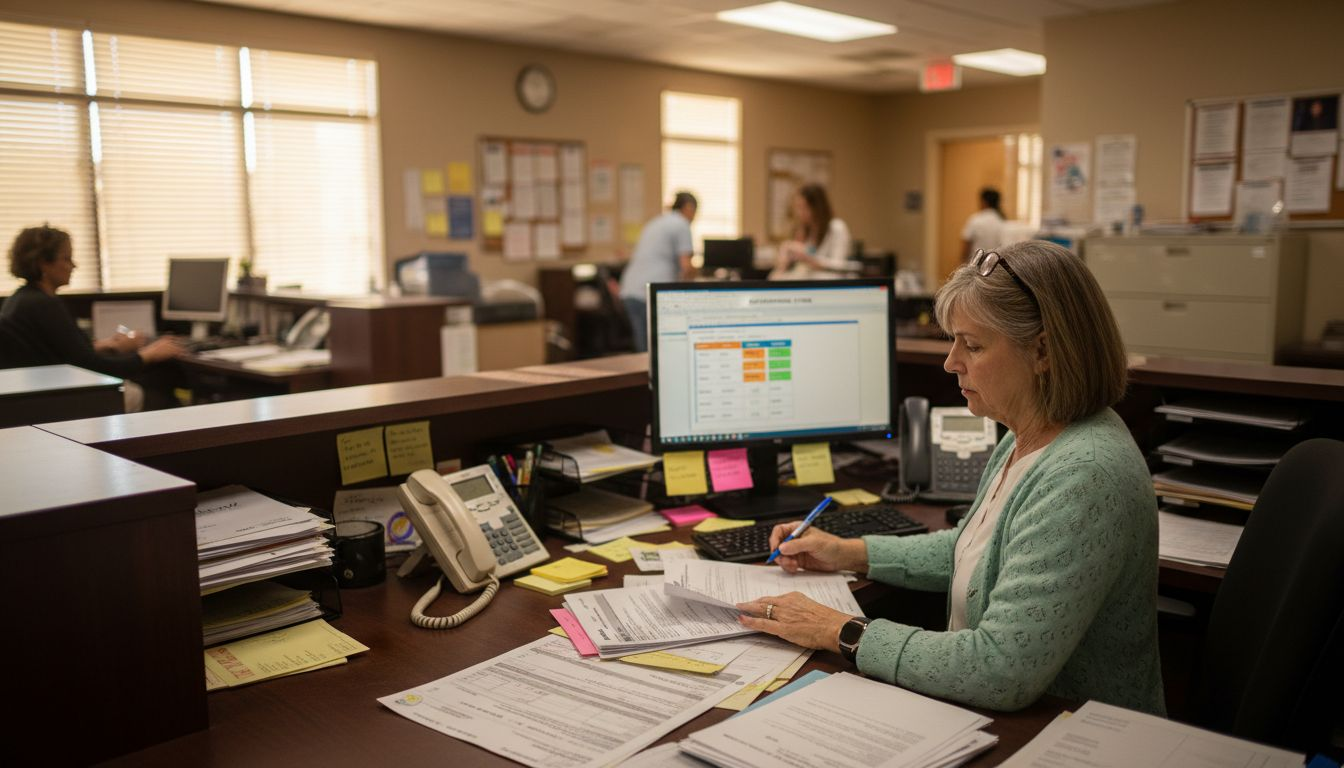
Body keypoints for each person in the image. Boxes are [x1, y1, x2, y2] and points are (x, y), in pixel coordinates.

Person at [737, 240, 1164, 715]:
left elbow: (998, 670)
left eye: (974, 345)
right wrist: (847, 552)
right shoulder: (1027, 432)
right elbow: (970, 550)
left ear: (1043, 350)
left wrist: (836, 629)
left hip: (1071, 733)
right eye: (954, 340)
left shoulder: (1084, 472)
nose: (950, 362)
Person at [3, 225, 183, 411]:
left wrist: (107, 345)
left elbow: (55, 351)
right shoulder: (44, 304)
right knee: (160, 387)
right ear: (44, 263)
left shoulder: (20, 299)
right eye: (66, 258)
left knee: (151, 376)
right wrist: (149, 354)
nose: (74, 265)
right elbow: (94, 367)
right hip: (67, 397)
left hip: (42, 392)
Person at [618, 192, 697, 352]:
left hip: (630, 289)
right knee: (654, 353)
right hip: (649, 294)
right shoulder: (681, 224)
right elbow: (686, 266)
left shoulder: (656, 222)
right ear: (688, 208)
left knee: (644, 351)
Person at [770, 183, 852, 279]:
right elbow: (809, 254)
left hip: (831, 282)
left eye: (803, 207)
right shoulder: (806, 230)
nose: (799, 213)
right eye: (797, 208)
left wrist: (808, 258)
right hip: (811, 279)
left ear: (817, 207)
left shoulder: (837, 227)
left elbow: (839, 266)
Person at [961, 187, 1005, 262]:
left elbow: (966, 245)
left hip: (976, 263)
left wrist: (962, 262)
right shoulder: (1002, 221)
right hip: (995, 264)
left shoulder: (975, 220)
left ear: (984, 202)